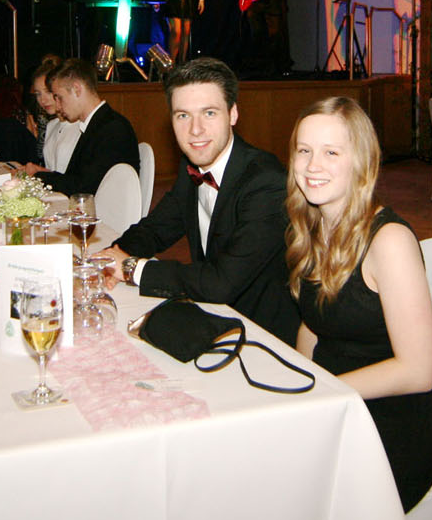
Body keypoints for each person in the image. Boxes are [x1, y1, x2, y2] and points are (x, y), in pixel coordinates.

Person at [286, 96, 432, 512]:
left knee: (280, 496)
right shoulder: (313, 225)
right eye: (304, 150)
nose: (312, 165)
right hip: (338, 403)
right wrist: (301, 387)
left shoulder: (389, 242)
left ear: (362, 163)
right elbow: (312, 324)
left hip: (391, 427)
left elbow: (419, 371)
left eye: (331, 153)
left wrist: (322, 395)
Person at [99, 58, 299, 343]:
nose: (195, 130)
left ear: (232, 114)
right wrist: (110, 256)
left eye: (209, 113)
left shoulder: (266, 182)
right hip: (212, 316)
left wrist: (132, 269)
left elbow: (222, 282)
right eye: (183, 115)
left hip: (261, 336)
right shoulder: (192, 165)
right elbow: (157, 228)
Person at [19, 58, 138, 195]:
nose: (58, 106)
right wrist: (42, 173)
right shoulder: (96, 124)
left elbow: (84, 188)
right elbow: (76, 178)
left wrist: (38, 176)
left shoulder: (112, 128)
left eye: (59, 97)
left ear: (77, 89)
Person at [27, 55, 78, 170]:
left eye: (48, 92)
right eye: (38, 94)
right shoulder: (51, 125)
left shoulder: (80, 126)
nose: (43, 100)